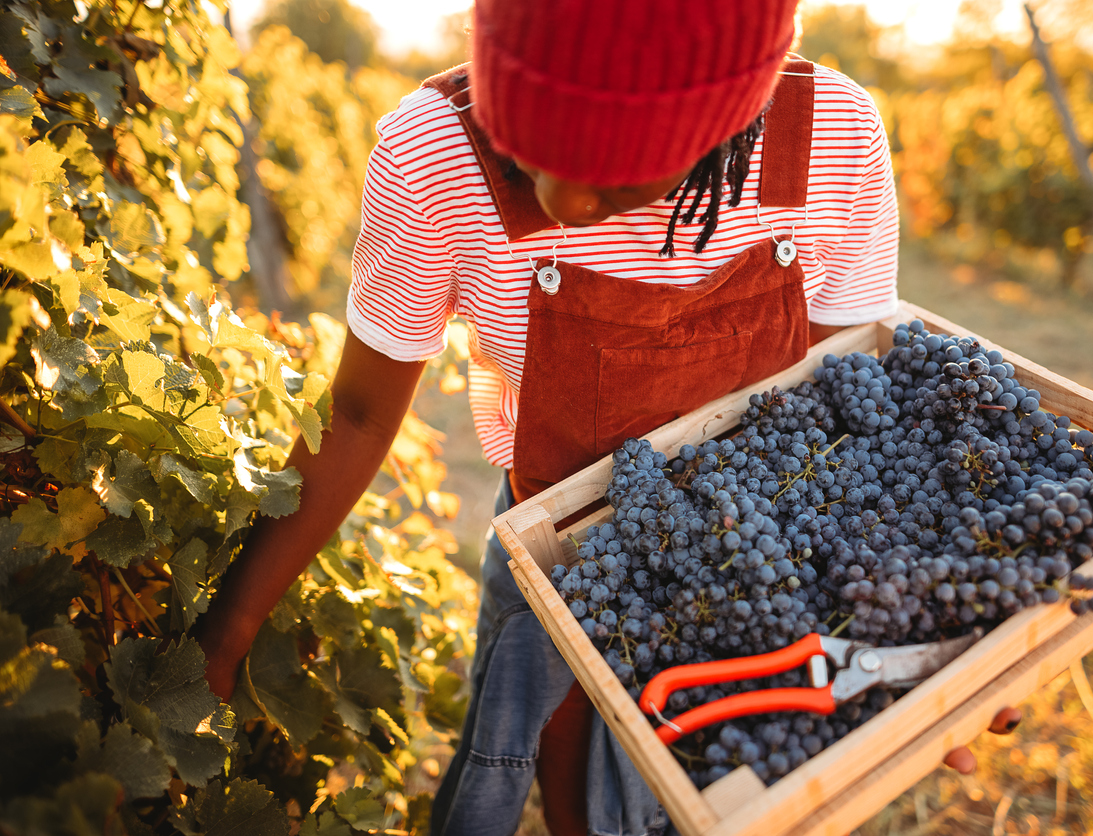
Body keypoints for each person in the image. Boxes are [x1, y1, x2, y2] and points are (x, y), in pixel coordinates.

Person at [195, 0, 1021, 833]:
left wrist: (934, 634)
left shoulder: (831, 137)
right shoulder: (432, 156)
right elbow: (361, 414)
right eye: (526, 151)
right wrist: (230, 627)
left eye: (611, 177)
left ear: (728, 125)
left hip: (762, 566)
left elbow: (850, 427)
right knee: (579, 807)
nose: (560, 199)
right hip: (567, 563)